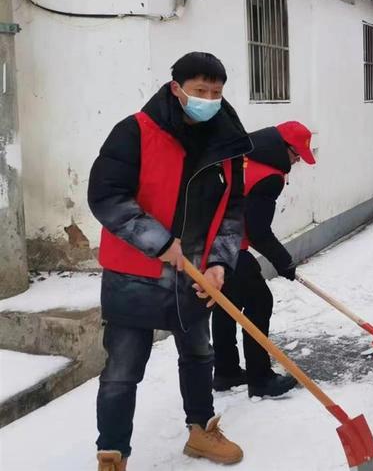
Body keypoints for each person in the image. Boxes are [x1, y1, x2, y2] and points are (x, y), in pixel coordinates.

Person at [88, 53, 249, 471]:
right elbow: (106, 196)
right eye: (200, 91)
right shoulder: (135, 132)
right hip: (135, 273)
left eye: (216, 92)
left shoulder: (227, 139)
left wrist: (219, 263)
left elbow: (233, 209)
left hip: (194, 272)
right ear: (176, 89)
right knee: (122, 369)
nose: (209, 100)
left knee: (199, 354)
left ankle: (201, 431)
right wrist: (158, 242)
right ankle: (112, 455)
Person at [212, 122, 315, 399]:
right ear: (284, 148)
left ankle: (226, 371)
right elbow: (256, 230)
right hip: (231, 245)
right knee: (260, 301)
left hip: (209, 242)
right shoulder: (270, 176)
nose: (296, 161)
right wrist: (284, 262)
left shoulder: (243, 155)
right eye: (296, 155)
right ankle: (260, 378)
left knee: (226, 304)